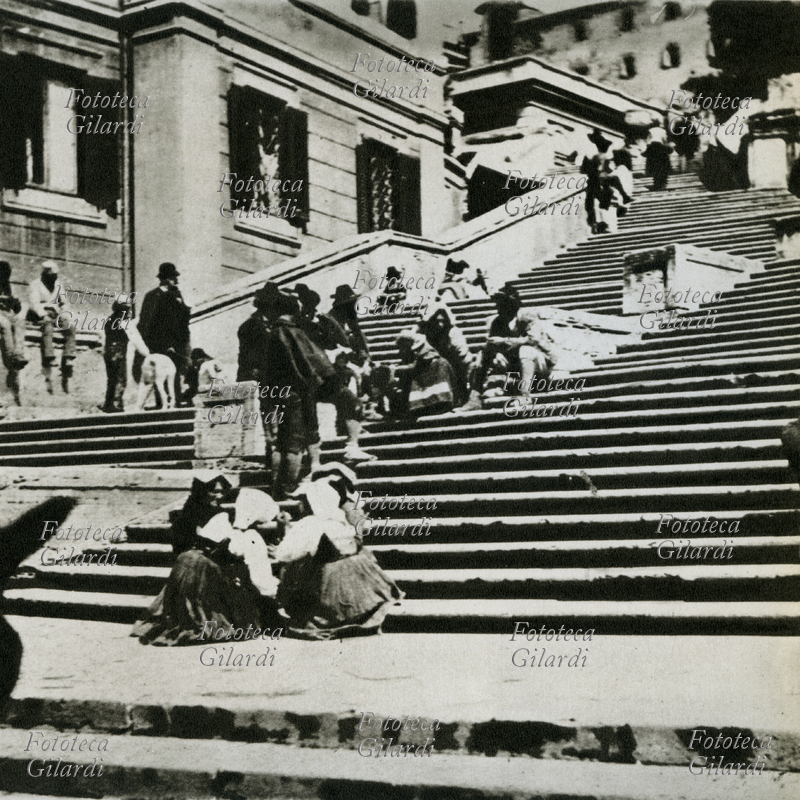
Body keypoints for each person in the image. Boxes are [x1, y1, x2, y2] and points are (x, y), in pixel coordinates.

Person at [132, 473, 283, 646]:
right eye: (213, 491)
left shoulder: (213, 515)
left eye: (221, 492)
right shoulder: (199, 517)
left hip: (188, 564)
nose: (218, 496)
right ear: (201, 491)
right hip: (199, 568)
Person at [274, 468, 403, 639]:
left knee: (291, 567)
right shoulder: (340, 519)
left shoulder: (309, 523)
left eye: (303, 500)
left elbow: (284, 554)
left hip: (329, 582)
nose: (300, 504)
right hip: (355, 575)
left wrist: (285, 531)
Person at [294, 283, 375, 465]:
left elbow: (342, 342)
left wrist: (342, 352)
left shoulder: (324, 320)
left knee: (349, 400)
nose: (309, 309)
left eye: (310, 304)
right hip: (305, 378)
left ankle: (352, 447)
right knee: (309, 420)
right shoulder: (295, 326)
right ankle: (314, 463)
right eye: (304, 304)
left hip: (327, 374)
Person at [462, 284, 545, 410]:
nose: (498, 308)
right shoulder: (497, 322)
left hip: (538, 362)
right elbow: (492, 344)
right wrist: (492, 353)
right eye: (497, 304)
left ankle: (525, 395)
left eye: (502, 304)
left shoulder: (527, 316)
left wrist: (504, 341)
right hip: (514, 365)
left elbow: (533, 340)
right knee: (484, 353)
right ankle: (475, 396)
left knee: (526, 350)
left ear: (512, 303)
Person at [134, 262, 191, 407]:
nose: (176, 281)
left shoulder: (176, 295)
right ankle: (162, 406)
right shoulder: (152, 296)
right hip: (158, 344)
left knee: (174, 375)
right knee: (159, 376)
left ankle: (175, 404)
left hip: (175, 343)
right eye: (173, 278)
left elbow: (183, 319)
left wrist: (181, 304)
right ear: (165, 279)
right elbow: (145, 322)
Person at [27, 260, 75, 394]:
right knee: (47, 327)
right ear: (45, 274)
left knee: (70, 327)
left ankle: (69, 356)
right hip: (38, 314)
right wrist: (43, 315)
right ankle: (50, 357)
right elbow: (34, 304)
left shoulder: (58, 285)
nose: (53, 278)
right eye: (51, 276)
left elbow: (64, 302)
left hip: (55, 313)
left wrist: (64, 312)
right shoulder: (35, 285)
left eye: (55, 275)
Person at [416, 302, 474, 407]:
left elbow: (465, 359)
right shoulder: (425, 334)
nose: (440, 325)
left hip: (453, 371)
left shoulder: (453, 333)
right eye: (436, 321)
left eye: (442, 321)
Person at [391, 330, 456, 418]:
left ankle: (437, 401)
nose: (401, 350)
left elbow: (419, 364)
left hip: (434, 380)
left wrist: (398, 369)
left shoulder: (426, 350)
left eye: (404, 346)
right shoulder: (409, 353)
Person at [0, 261, 28, 405]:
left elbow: (17, 309)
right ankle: (11, 357)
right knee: (4, 325)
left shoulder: (7, 286)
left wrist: (14, 302)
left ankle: (18, 354)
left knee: (19, 322)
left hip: (6, 313)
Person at [101, 300, 133, 413]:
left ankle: (108, 403)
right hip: (118, 351)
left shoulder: (110, 319)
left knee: (112, 378)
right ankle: (116, 403)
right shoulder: (122, 321)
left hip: (109, 350)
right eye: (127, 309)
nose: (130, 311)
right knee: (120, 377)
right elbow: (128, 336)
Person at [580, 129, 612, 232]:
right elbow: (608, 170)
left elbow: (582, 170)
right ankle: (603, 224)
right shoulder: (605, 157)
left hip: (592, 182)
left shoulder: (590, 156)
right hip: (602, 183)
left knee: (590, 205)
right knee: (603, 204)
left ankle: (593, 223)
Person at [644, 126, 672, 191]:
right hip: (662, 161)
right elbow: (666, 142)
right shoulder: (663, 131)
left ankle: (656, 184)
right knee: (663, 172)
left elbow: (647, 141)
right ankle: (663, 184)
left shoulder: (650, 130)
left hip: (653, 160)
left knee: (655, 173)